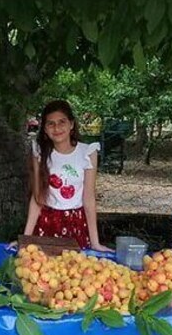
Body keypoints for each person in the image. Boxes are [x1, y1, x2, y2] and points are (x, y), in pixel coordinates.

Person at [23, 99, 111, 251]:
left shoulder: (87, 152)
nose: (56, 128)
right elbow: (37, 198)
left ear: (71, 124)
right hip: (46, 222)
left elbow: (89, 199)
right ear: (44, 128)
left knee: (72, 270)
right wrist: (25, 239)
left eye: (62, 122)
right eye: (50, 123)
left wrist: (95, 242)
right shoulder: (40, 152)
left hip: (75, 223)